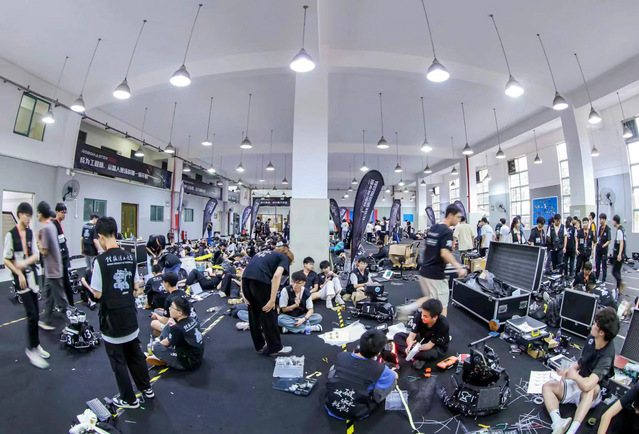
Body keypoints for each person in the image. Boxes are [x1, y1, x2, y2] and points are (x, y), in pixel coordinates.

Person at [87, 216, 153, 409]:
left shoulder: (100, 261)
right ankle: (146, 388)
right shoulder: (130, 257)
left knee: (118, 360)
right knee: (135, 354)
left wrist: (87, 287)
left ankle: (129, 399)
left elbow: (97, 294)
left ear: (100, 237)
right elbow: (136, 286)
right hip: (130, 316)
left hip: (112, 321)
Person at [542, 307, 619, 434]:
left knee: (590, 389)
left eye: (595, 324)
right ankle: (558, 423)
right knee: (547, 386)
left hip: (593, 392)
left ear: (601, 332)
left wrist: (574, 376)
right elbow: (581, 362)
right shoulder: (591, 339)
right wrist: (569, 370)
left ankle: (572, 430)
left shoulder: (607, 356)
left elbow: (588, 384)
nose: (592, 325)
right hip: (579, 381)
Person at [3, 202, 50, 369]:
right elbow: (6, 259)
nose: (29, 219)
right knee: (31, 315)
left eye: (31, 216)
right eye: (27, 215)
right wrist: (19, 272)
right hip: (21, 280)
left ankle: (36, 345)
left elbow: (36, 255)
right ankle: (31, 350)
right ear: (20, 215)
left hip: (33, 278)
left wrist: (23, 263)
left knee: (36, 314)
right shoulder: (11, 235)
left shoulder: (30, 233)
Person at [401, 205, 467, 319]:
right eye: (457, 217)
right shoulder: (447, 231)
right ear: (450, 215)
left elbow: (427, 248)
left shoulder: (434, 228)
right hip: (436, 274)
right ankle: (442, 329)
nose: (459, 220)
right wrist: (458, 267)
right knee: (441, 305)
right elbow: (444, 253)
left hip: (425, 271)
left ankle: (408, 309)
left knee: (430, 299)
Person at [325, 329, 398, 421]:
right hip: (358, 412)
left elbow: (330, 375)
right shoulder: (381, 370)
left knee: (334, 369)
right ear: (379, 352)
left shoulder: (341, 356)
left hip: (331, 406)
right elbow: (395, 376)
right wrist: (391, 372)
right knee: (393, 381)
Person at [241, 245, 294, 356]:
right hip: (260, 282)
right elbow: (276, 276)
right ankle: (275, 348)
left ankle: (260, 346)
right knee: (269, 313)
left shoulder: (262, 254)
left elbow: (244, 272)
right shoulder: (284, 257)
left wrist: (244, 294)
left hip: (246, 281)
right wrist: (272, 300)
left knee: (253, 315)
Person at [146, 297, 204, 371]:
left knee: (155, 347)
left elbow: (165, 343)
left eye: (172, 307)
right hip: (197, 356)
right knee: (169, 326)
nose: (169, 308)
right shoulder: (192, 319)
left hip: (188, 363)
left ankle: (162, 358)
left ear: (179, 313)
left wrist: (155, 344)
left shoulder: (177, 329)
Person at [37, 201, 69, 330]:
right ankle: (47, 320)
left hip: (53, 270)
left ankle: (72, 323)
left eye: (37, 213)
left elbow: (44, 251)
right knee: (48, 296)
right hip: (52, 269)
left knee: (61, 300)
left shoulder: (46, 228)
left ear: (41, 213)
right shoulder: (52, 226)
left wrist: (38, 240)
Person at [394, 299, 449, 370]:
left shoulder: (443, 325)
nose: (422, 317)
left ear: (435, 317)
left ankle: (411, 355)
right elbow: (411, 336)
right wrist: (410, 345)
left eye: (425, 316)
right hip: (422, 339)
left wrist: (415, 349)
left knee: (426, 354)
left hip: (436, 345)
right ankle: (413, 356)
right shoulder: (419, 316)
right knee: (398, 336)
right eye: (422, 314)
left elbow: (429, 345)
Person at [52, 202, 74, 304]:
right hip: (58, 260)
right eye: (62, 212)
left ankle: (68, 304)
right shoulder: (54, 225)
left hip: (63, 258)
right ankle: (69, 304)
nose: (64, 214)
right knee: (62, 283)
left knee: (65, 283)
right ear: (57, 212)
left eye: (65, 213)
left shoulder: (60, 224)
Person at [595, 213, 611, 284]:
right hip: (598, 248)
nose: (600, 220)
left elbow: (609, 240)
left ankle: (604, 280)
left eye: (601, 219)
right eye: (600, 219)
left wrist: (604, 245)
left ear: (604, 219)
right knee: (597, 263)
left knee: (604, 265)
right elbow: (599, 237)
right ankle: (596, 277)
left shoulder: (607, 229)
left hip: (604, 250)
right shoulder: (600, 228)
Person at [612, 215, 626, 294]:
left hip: (618, 254)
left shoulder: (619, 230)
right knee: (618, 271)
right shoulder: (622, 229)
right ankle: (618, 289)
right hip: (621, 253)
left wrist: (619, 254)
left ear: (615, 221)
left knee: (614, 271)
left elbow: (621, 242)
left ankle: (620, 282)